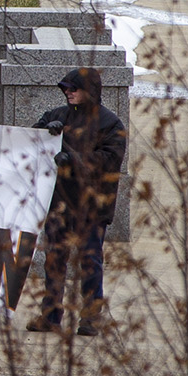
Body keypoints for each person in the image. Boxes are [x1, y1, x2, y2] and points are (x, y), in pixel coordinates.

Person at [27, 67, 127, 336]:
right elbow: (28, 142)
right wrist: (45, 131)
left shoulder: (111, 124)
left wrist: (74, 159)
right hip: (59, 201)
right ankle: (50, 316)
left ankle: (91, 318)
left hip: (91, 206)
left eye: (74, 88)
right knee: (54, 260)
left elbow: (109, 161)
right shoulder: (57, 115)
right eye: (66, 89)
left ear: (89, 92)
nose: (69, 93)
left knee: (89, 261)